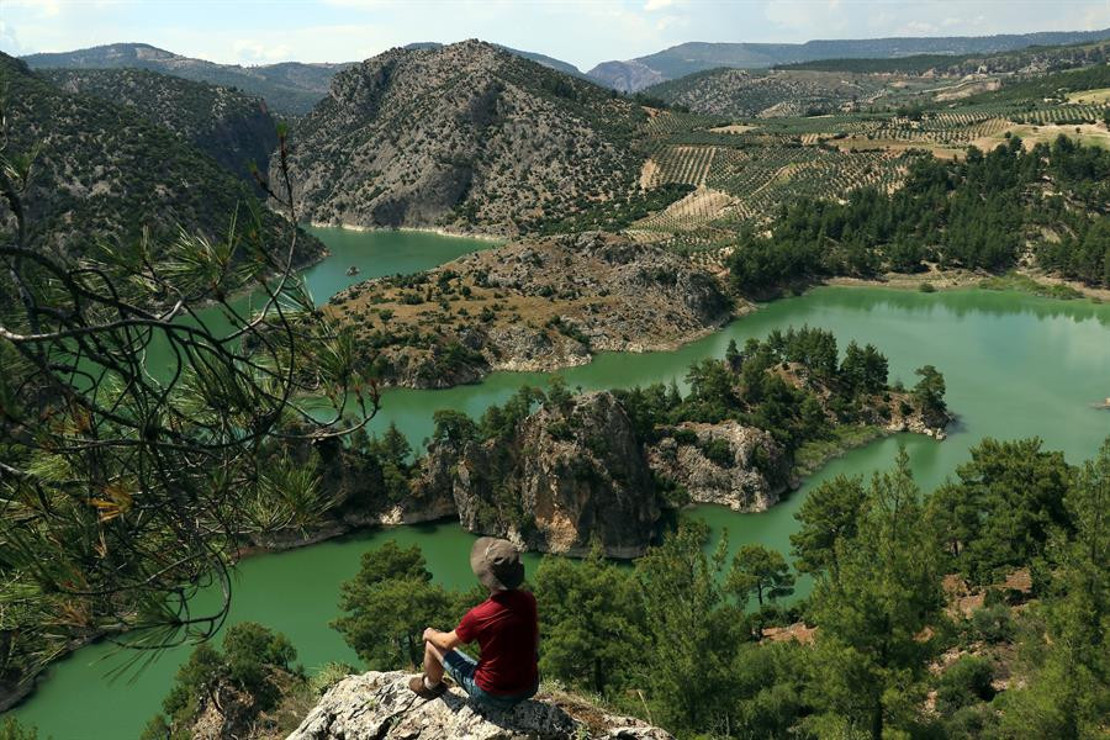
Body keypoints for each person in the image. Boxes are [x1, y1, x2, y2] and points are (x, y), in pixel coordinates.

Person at [409, 537, 539, 710]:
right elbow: (535, 637)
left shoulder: (479, 615)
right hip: (529, 686)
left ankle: (430, 685)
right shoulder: (528, 600)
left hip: (491, 694)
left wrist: (430, 633)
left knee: (433, 643)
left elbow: (446, 642)